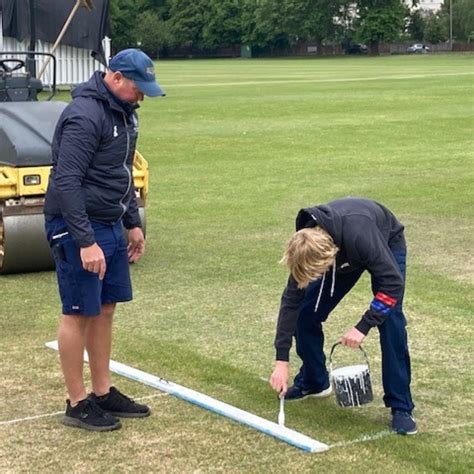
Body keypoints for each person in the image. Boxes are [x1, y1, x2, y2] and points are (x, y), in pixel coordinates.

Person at [44, 49, 165, 431]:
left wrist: (132, 222)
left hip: (111, 223)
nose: (142, 96)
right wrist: (84, 241)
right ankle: (77, 403)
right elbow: (66, 182)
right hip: (78, 225)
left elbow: (120, 173)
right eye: (137, 88)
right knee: (78, 311)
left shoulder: (125, 115)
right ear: (114, 78)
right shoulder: (84, 115)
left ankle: (102, 391)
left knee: (106, 308)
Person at [269, 197, 417, 435]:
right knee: (304, 314)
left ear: (330, 259)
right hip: (343, 250)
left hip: (386, 242)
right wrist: (281, 361)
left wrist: (363, 326)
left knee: (390, 321)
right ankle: (315, 381)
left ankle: (401, 406)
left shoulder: (360, 237)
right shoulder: (305, 247)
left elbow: (393, 285)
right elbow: (290, 304)